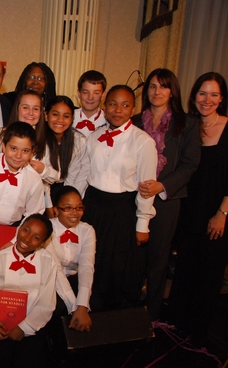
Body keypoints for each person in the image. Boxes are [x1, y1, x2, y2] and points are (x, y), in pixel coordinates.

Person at [79, 85, 157, 310]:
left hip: (122, 210)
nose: (118, 110)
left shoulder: (142, 142)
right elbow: (85, 173)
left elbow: (146, 187)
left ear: (133, 109)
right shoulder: (94, 137)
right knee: (91, 261)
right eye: (113, 103)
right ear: (104, 106)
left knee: (116, 268)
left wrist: (143, 223)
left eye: (125, 105)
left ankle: (111, 319)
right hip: (93, 206)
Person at [131, 68, 201, 321]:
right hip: (136, 198)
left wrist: (162, 186)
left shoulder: (188, 123)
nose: (156, 91)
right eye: (152, 86)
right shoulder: (136, 121)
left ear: (172, 91)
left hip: (167, 200)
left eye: (163, 86)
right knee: (135, 256)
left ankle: (152, 314)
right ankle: (130, 309)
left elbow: (190, 164)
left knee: (158, 258)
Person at [169, 72, 228, 345]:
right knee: (185, 269)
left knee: (209, 273)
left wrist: (222, 213)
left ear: (222, 98)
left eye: (214, 94)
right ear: (193, 97)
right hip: (188, 208)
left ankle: (198, 332)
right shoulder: (187, 126)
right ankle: (177, 325)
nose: (208, 99)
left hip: (218, 211)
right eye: (202, 93)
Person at [0, 214, 56, 368]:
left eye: (36, 237)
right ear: (19, 228)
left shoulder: (48, 262)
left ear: (43, 243)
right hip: (0, 327)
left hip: (32, 328)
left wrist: (24, 328)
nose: (27, 238)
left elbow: (46, 302)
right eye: (26, 230)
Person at [49, 186, 95, 331]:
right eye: (68, 208)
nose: (75, 213)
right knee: (57, 309)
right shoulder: (47, 228)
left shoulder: (87, 230)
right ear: (56, 210)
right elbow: (56, 270)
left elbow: (86, 267)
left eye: (79, 207)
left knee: (96, 305)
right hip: (51, 279)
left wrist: (82, 305)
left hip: (75, 277)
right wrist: (75, 307)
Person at [35, 96, 87, 201]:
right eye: (55, 114)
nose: (60, 120)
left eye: (66, 116)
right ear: (46, 115)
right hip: (40, 191)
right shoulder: (37, 138)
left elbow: (78, 174)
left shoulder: (79, 140)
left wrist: (67, 199)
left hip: (67, 188)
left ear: (72, 118)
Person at [72, 70, 107, 138]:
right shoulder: (70, 117)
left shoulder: (107, 121)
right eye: (85, 92)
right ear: (79, 93)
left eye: (96, 93)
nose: (90, 97)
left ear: (103, 95)